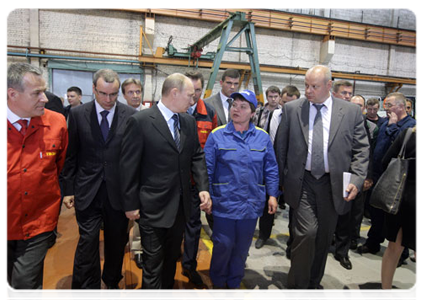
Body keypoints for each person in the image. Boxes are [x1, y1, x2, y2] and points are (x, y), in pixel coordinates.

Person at [275, 65, 369, 300]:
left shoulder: (350, 112)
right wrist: (278, 185)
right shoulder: (292, 110)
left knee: (324, 236)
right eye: (306, 85)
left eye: (314, 86)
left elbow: (361, 149)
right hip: (303, 181)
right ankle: (297, 288)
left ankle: (314, 282)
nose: (308, 91)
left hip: (333, 184)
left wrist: (356, 179)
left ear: (329, 86)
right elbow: (281, 148)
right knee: (306, 234)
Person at [119, 73, 212, 300]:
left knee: (171, 258)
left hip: (180, 207)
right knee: (153, 263)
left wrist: (202, 186)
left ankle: (166, 295)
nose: (193, 101)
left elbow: (197, 156)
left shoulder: (188, 122)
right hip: (152, 207)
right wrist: (130, 205)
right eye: (190, 95)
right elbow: (128, 166)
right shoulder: (141, 121)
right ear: (174, 93)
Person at [62, 69, 136, 300]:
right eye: (103, 93)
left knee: (116, 242)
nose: (108, 99)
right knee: (88, 242)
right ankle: (85, 291)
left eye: (113, 94)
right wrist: (68, 190)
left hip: (118, 193)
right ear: (93, 89)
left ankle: (111, 282)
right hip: (88, 191)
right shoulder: (77, 115)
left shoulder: (130, 115)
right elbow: (70, 155)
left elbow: (134, 159)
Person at [204, 89, 279, 300]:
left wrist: (272, 195)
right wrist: (207, 195)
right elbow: (208, 169)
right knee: (223, 244)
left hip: (251, 203)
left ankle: (234, 281)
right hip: (224, 201)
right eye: (234, 105)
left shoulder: (262, 138)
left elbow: (271, 168)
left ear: (252, 113)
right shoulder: (217, 135)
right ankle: (218, 282)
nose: (236, 110)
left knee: (242, 247)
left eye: (242, 106)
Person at [5, 62, 68, 300]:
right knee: (12, 280)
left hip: (40, 222)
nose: (45, 98)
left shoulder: (56, 123)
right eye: (36, 93)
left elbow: (60, 165)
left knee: (25, 285)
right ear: (13, 94)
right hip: (6, 221)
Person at [359, 92, 418, 255]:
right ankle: (373, 243)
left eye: (389, 105)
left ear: (400, 106)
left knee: (399, 219)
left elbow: (398, 148)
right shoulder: (384, 123)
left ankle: (401, 252)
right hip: (379, 175)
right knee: (376, 212)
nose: (386, 108)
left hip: (398, 179)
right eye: (385, 105)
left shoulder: (411, 126)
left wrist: (392, 126)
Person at [182, 70, 217, 287]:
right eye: (190, 90)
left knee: (193, 226)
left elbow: (212, 150)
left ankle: (189, 266)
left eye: (198, 90)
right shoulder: (173, 109)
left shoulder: (209, 113)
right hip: (172, 182)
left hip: (197, 183)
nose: (194, 95)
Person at [377, 124, 420, 300]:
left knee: (394, 246)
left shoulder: (408, 134)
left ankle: (385, 292)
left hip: (399, 197)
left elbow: (385, 161)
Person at [332, 95, 375, 270]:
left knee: (350, 216)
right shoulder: (340, 120)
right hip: (336, 174)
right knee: (333, 213)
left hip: (354, 176)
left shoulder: (367, 126)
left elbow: (368, 153)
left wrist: (366, 176)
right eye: (354, 105)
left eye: (360, 106)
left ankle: (342, 252)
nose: (357, 108)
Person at [252, 85, 282, 249]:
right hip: (257, 159)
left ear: (279, 97)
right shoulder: (258, 112)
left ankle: (264, 234)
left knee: (269, 199)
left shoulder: (284, 113)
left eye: (275, 96)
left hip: (274, 160)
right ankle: (249, 228)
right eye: (270, 96)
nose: (273, 99)